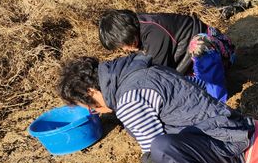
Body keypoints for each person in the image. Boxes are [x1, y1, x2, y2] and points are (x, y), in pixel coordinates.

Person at [57, 52, 257, 163]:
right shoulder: (138, 70)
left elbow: (154, 155)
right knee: (164, 146)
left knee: (161, 149)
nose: (98, 111)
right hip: (230, 125)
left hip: (231, 149)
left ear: (92, 91)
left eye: (92, 107)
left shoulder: (129, 100)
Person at [98, 9, 235, 103]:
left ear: (126, 31)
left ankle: (215, 99)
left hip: (219, 52)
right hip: (189, 64)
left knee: (199, 46)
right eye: (121, 47)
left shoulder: (153, 31)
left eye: (124, 44)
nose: (126, 49)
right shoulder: (138, 32)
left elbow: (159, 73)